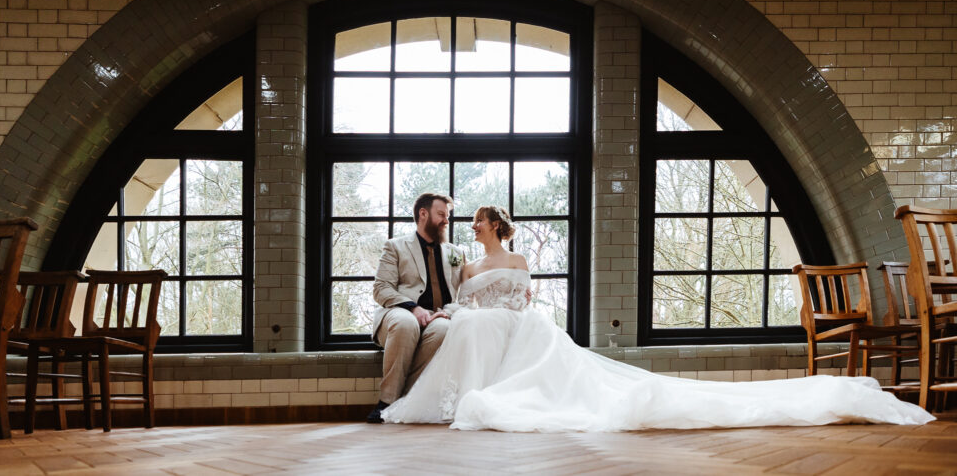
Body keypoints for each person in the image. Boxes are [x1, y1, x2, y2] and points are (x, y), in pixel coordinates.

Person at [381, 205, 935, 431]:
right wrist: (459, 306)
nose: (470, 226)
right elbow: (462, 300)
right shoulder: (465, 261)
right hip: (478, 323)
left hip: (515, 323)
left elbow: (520, 299)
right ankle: (454, 393)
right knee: (472, 327)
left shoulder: (517, 259)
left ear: (495, 225)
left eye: (477, 220)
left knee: (508, 341)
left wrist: (491, 308)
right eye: (467, 220)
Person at [367, 192, 465, 424]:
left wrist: (447, 312)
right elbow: (381, 289)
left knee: (444, 330)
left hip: (439, 315)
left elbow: (464, 295)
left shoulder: (456, 253)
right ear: (423, 213)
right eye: (441, 214)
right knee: (406, 323)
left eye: (448, 215)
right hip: (400, 313)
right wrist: (413, 308)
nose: (446, 220)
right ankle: (388, 400)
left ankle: (406, 400)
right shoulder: (395, 246)